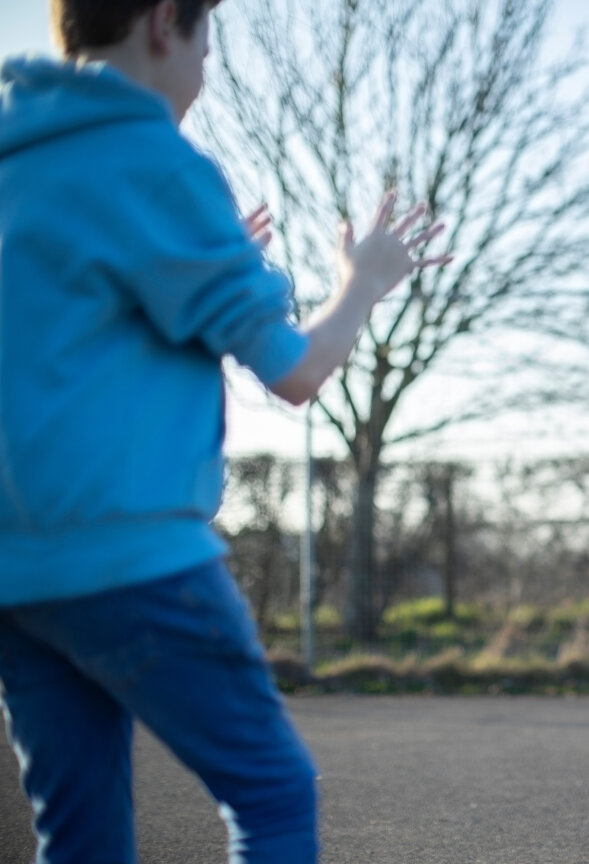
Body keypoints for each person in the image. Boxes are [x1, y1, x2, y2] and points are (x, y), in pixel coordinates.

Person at [0, 2, 451, 861]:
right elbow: (296, 371)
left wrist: (220, 261)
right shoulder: (156, 164)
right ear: (166, 22)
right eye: (207, 41)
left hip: (17, 578)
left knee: (79, 832)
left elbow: (89, 323)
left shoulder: (17, 157)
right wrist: (362, 282)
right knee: (271, 794)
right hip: (134, 564)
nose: (206, 68)